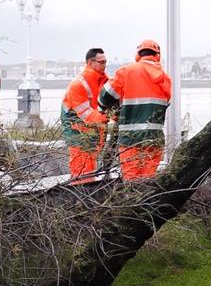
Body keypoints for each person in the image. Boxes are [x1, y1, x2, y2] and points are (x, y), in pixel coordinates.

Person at [99, 38, 172, 181]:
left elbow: (104, 98)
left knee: (132, 186)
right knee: (146, 184)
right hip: (154, 140)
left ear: (138, 55)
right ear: (157, 56)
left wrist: (109, 111)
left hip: (130, 140)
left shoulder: (126, 72)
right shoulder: (166, 79)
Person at [60, 47, 110, 184]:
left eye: (105, 62)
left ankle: (86, 194)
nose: (104, 65)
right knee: (81, 169)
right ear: (90, 62)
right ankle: (81, 196)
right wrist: (106, 118)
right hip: (77, 132)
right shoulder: (78, 84)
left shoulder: (102, 81)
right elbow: (86, 114)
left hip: (91, 131)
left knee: (89, 168)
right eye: (101, 62)